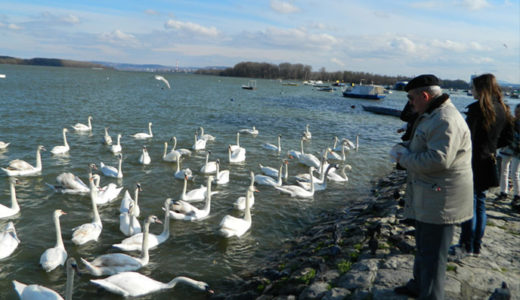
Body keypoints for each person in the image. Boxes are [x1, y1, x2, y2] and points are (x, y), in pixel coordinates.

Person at [393, 74, 473, 300]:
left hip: (441, 200)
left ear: (424, 95)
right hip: (430, 194)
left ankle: (431, 295)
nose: (410, 103)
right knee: (424, 248)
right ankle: (419, 286)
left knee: (434, 257)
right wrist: (406, 146)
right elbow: (424, 144)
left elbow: (437, 160)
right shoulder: (433, 115)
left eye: (411, 98)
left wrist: (402, 158)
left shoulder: (445, 119)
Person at [455, 73, 510, 257]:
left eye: (473, 87)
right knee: (480, 204)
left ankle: (466, 245)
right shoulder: (503, 108)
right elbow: (508, 137)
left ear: (481, 89)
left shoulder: (477, 110)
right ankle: (475, 246)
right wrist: (491, 147)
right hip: (489, 160)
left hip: (472, 161)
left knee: (469, 205)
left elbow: (464, 138)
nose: (471, 90)